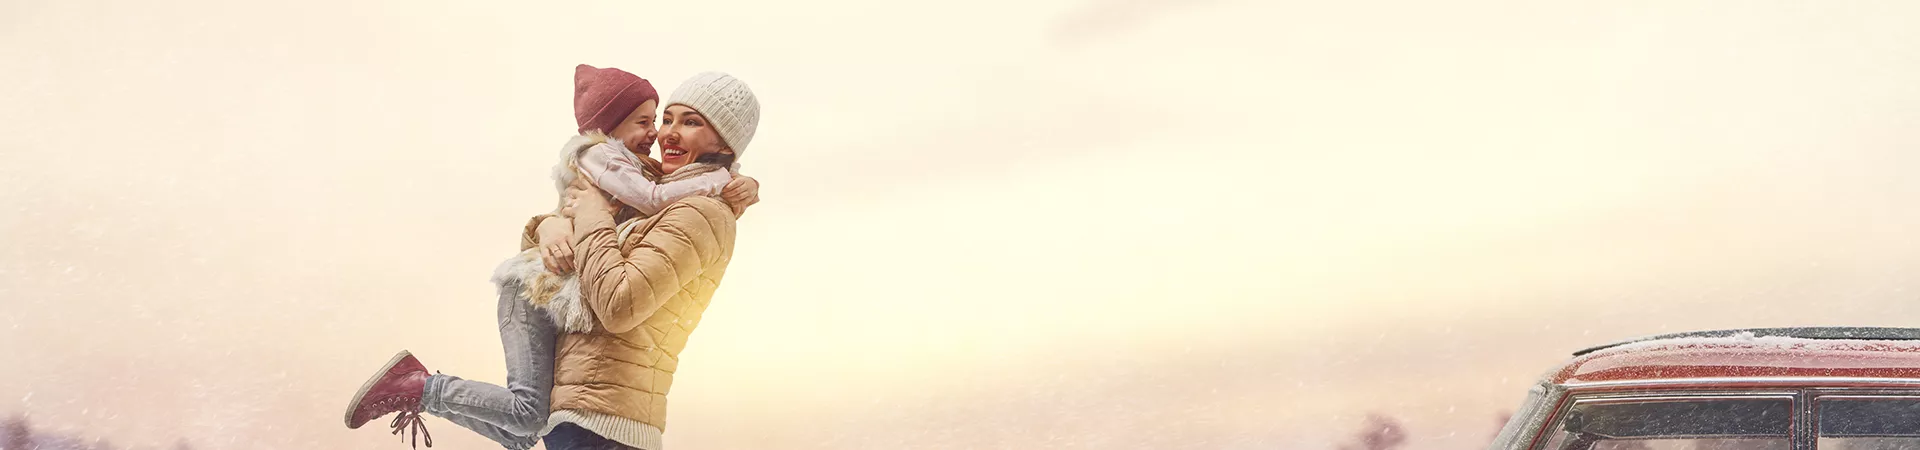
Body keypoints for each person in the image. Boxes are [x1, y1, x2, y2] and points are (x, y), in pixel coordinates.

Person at [340, 67, 760, 450]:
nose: (665, 133)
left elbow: (619, 303)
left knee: (523, 422)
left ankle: (419, 388)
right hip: (589, 415)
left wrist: (592, 213)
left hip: (604, 419)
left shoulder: (697, 211)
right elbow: (574, 245)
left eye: (690, 122)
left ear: (725, 143)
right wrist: (548, 226)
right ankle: (418, 388)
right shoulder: (639, 182)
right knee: (524, 424)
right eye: (666, 119)